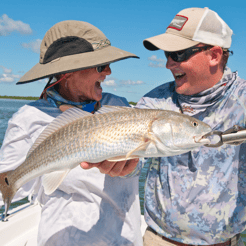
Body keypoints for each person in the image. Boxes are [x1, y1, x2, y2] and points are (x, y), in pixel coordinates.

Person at [85, 7, 246, 246]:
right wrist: (123, 166)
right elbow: (133, 161)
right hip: (158, 239)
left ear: (214, 55)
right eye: (166, 54)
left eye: (178, 54)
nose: (169, 64)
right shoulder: (154, 102)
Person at [0, 20, 142, 246]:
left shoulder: (119, 106)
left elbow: (139, 161)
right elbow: (11, 185)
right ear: (67, 72)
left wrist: (129, 167)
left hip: (124, 239)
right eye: (100, 65)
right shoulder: (28, 118)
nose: (108, 71)